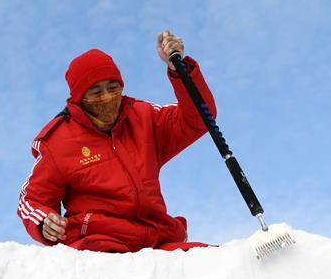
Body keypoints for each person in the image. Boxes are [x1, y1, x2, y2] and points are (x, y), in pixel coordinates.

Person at [16, 30, 218, 253]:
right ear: (79, 98)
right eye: (96, 92)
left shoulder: (144, 118)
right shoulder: (58, 142)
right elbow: (32, 198)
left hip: (155, 238)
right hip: (98, 242)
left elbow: (200, 117)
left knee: (213, 260)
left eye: (113, 88)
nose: (107, 97)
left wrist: (178, 69)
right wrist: (45, 221)